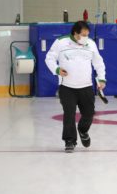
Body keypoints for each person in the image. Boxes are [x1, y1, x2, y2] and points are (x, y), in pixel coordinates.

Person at [45, 21, 106, 153]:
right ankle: (69, 140)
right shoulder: (61, 42)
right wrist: (56, 69)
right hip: (67, 87)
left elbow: (98, 62)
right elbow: (49, 58)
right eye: (83, 35)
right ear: (75, 33)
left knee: (89, 114)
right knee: (69, 114)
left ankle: (83, 131)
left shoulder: (91, 44)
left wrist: (101, 78)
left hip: (86, 86)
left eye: (87, 35)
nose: (85, 37)